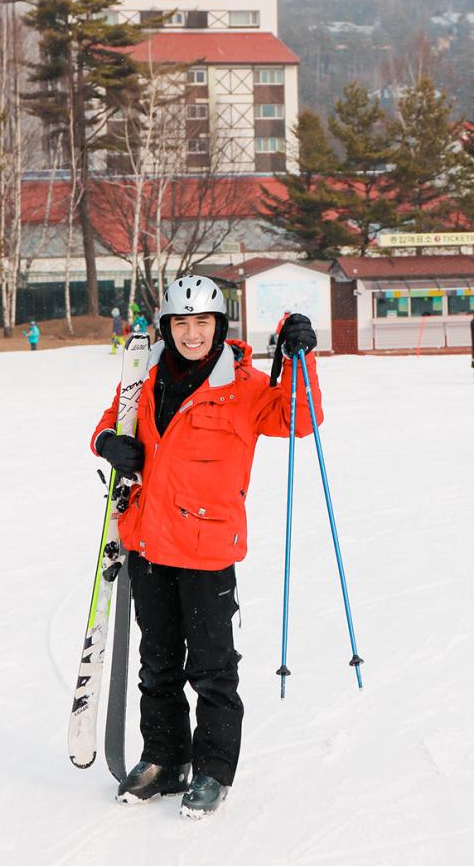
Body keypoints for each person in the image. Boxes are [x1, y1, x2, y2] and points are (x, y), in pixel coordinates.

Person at [91, 275, 322, 818]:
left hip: (207, 547)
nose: (192, 334)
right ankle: (165, 759)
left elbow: (300, 418)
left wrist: (301, 356)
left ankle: (213, 768)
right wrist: (108, 443)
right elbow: (109, 420)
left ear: (220, 326)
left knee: (213, 668)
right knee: (159, 661)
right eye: (181, 323)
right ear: (167, 327)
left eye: (203, 323)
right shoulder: (145, 376)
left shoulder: (244, 387)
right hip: (148, 542)